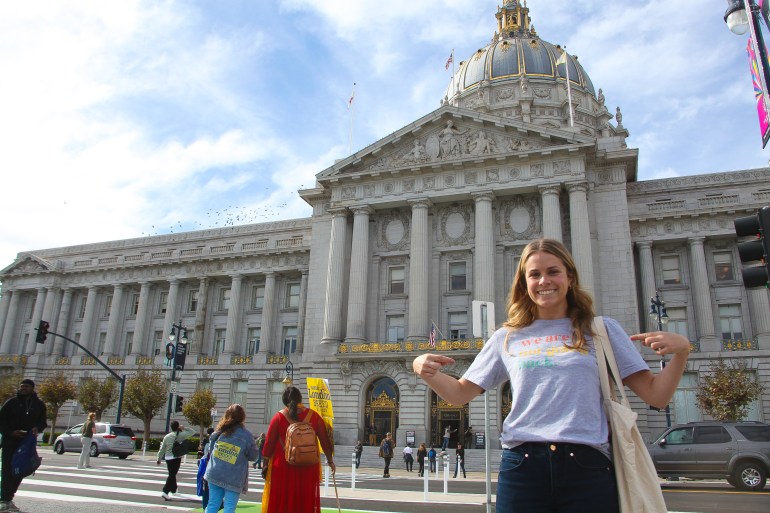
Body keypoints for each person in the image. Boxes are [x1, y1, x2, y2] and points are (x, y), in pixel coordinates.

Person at [413, 238, 691, 513]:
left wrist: (681, 354)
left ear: (569, 277)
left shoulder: (600, 330)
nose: (544, 281)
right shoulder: (506, 337)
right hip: (522, 465)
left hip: (587, 466)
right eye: (534, 274)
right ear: (524, 283)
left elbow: (657, 395)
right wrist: (424, 370)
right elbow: (460, 393)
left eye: (553, 272)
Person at [261, 386, 335, 513]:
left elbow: (269, 444)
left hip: (284, 465)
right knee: (305, 501)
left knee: (282, 501)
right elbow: (325, 441)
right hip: (308, 465)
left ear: (285, 401)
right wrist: (330, 460)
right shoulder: (314, 416)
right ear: (300, 398)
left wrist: (265, 464)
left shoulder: (278, 417)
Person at [0, 378, 47, 513]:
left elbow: (42, 422)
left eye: (26, 386)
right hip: (10, 442)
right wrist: (11, 432)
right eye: (22, 386)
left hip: (26, 444)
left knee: (20, 472)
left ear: (32, 388)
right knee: (7, 471)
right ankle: (3, 500)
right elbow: (1, 420)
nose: (23, 388)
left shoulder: (39, 405)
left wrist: (37, 428)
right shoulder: (11, 403)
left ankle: (8, 498)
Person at [202, 404, 258, 513]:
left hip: (215, 473)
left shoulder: (218, 433)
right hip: (234, 477)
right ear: (242, 417)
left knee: (212, 504)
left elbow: (211, 449)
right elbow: (253, 456)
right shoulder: (247, 436)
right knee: (229, 507)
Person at [157, 420, 194, 500]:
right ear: (178, 427)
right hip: (176, 457)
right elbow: (192, 432)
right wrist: (184, 428)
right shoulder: (181, 435)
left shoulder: (167, 436)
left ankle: (174, 489)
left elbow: (162, 448)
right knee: (172, 474)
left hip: (167, 457)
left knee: (172, 473)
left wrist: (159, 458)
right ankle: (165, 491)